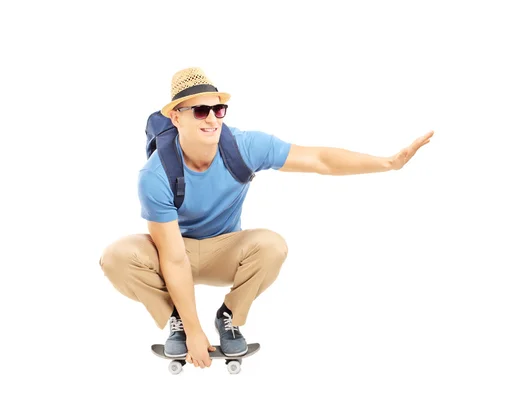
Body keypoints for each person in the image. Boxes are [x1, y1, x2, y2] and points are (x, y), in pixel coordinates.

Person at [99, 67, 434, 370]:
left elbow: (319, 159)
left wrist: (388, 163)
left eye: (218, 109)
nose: (212, 119)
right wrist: (193, 330)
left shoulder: (243, 147)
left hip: (223, 250)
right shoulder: (154, 175)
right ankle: (177, 322)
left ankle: (229, 316)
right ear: (175, 117)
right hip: (173, 251)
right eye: (200, 110)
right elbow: (172, 258)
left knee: (272, 245)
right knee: (116, 257)